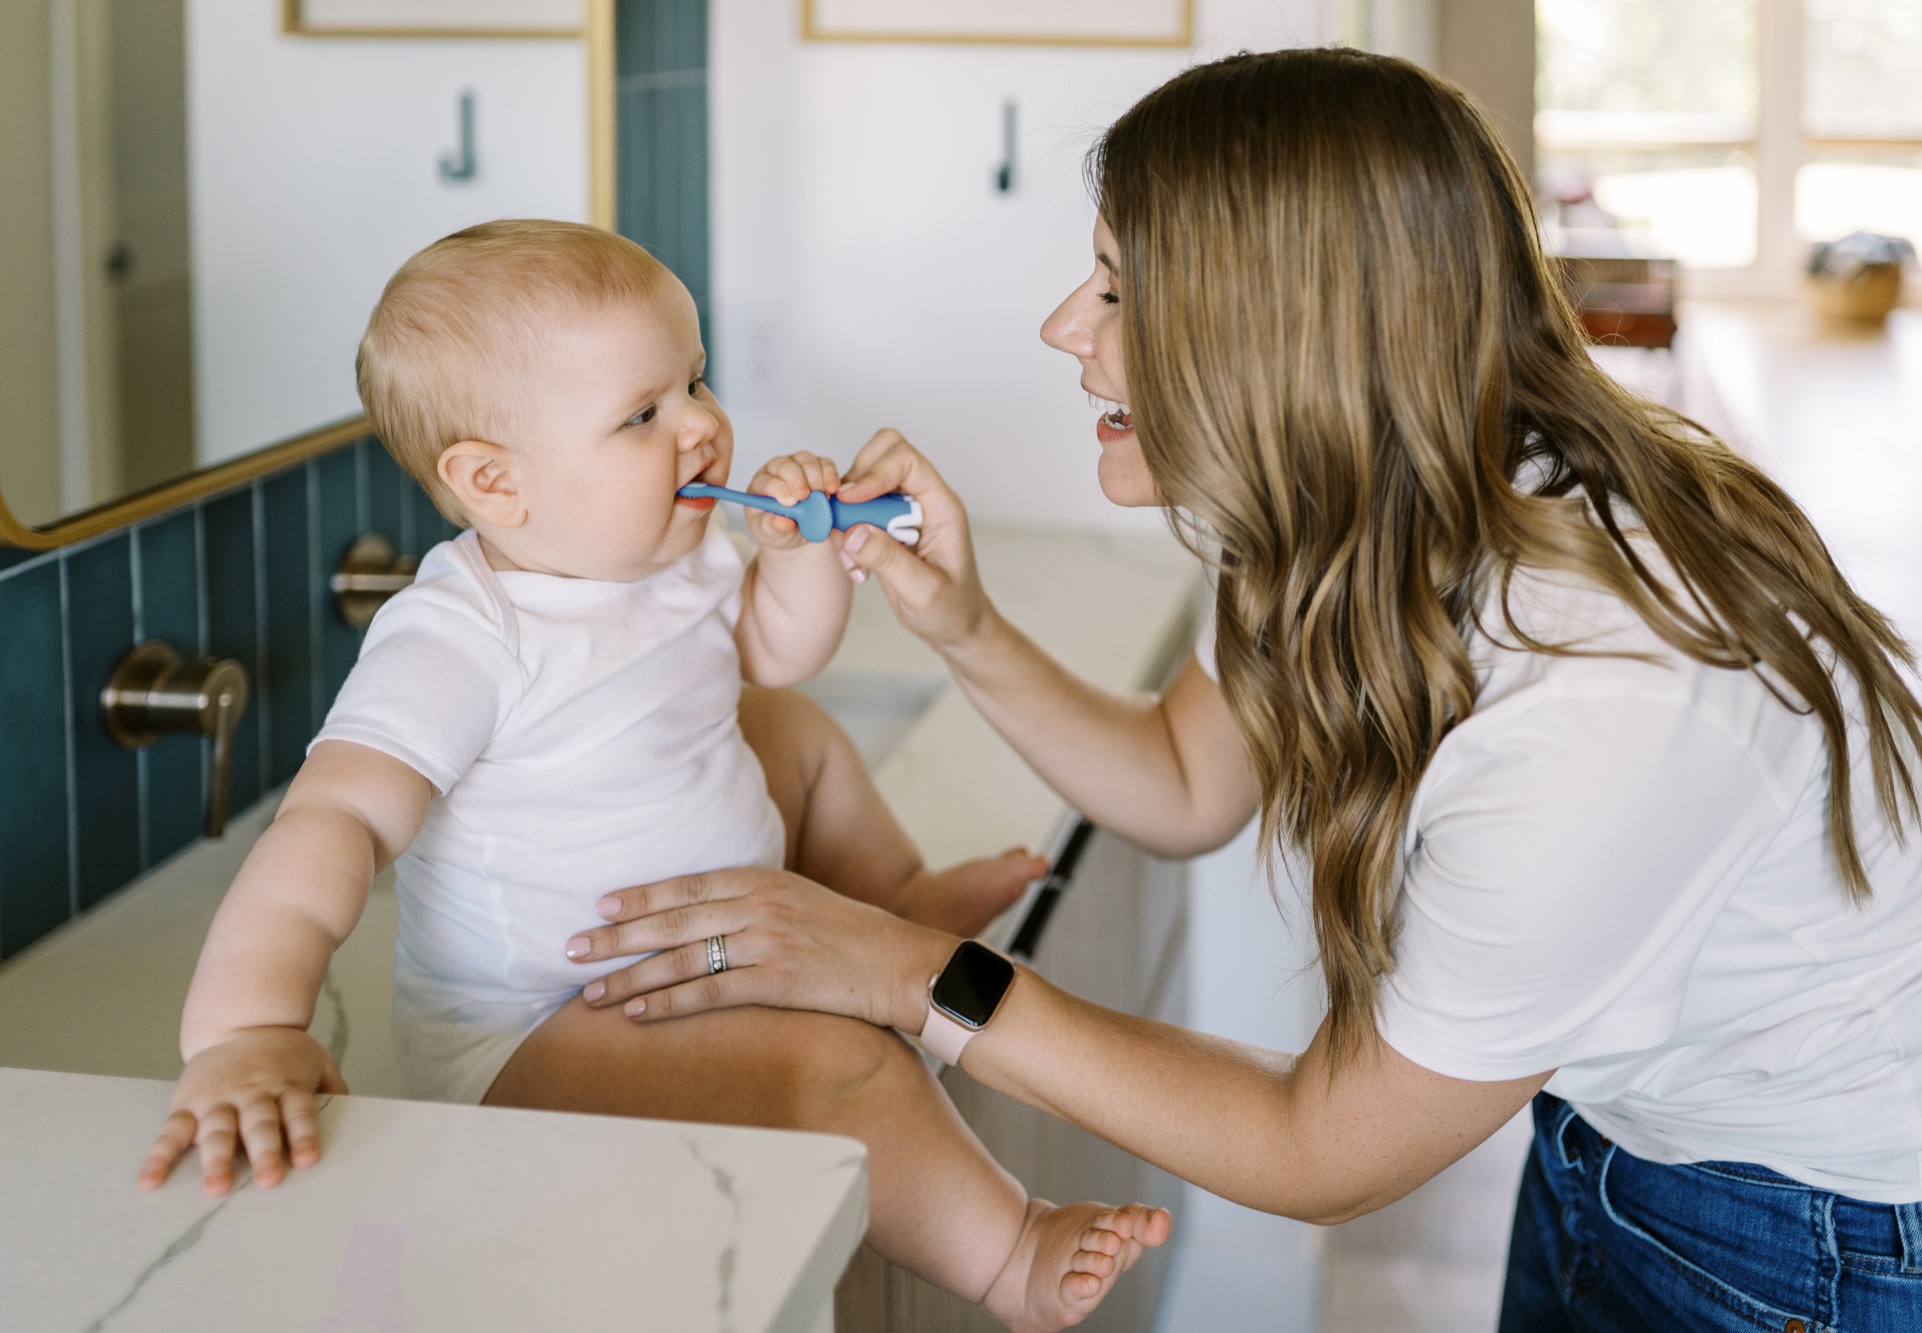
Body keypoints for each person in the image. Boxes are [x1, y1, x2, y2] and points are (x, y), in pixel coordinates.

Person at [563, 49, 1922, 1330]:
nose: (1067, 326)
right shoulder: (1363, 503)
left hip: (1839, 1243)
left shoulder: (1605, 698)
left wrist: (897, 968)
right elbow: (1186, 785)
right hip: (1630, 1141)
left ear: (1277, 334)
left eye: (1120, 288)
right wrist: (964, 619)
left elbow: (1327, 1148)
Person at [134, 221, 1170, 1333]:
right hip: (549, 1025)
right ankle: (1007, 1250)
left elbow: (778, 650)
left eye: (695, 381)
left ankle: (894, 901)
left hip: (706, 932)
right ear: (494, 481)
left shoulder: (670, 556)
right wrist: (247, 1029)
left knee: (796, 730)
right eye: (643, 414)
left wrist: (797, 557)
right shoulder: (461, 632)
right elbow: (334, 821)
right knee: (844, 1065)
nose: (700, 426)